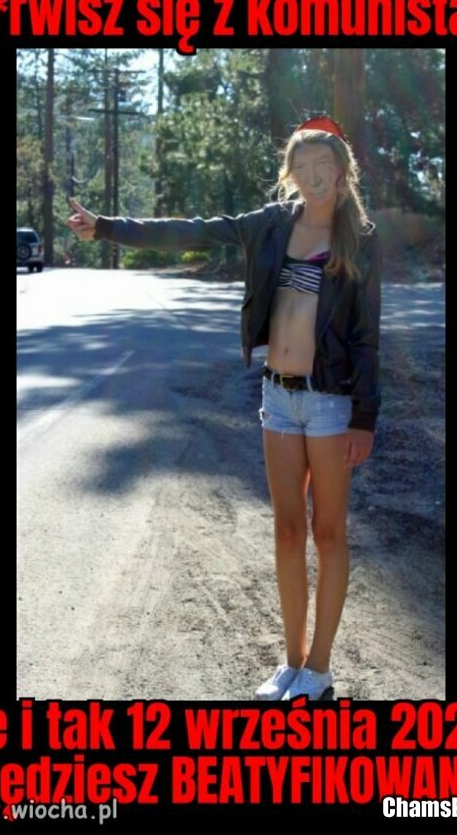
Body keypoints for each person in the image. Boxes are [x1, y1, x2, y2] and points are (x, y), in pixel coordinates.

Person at [67, 116, 381, 701]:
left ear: (342, 172)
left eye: (324, 165)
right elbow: (193, 230)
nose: (314, 176)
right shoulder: (270, 224)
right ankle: (292, 664)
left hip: (331, 403)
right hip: (278, 398)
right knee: (287, 532)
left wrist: (364, 417)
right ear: (291, 174)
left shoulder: (358, 236)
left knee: (328, 532)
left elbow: (366, 335)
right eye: (303, 167)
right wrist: (106, 227)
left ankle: (319, 669)